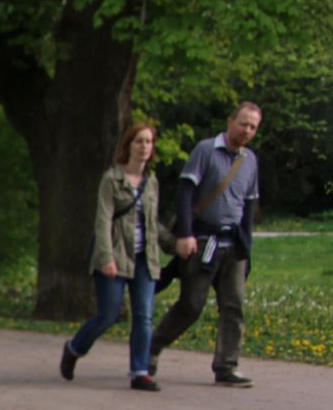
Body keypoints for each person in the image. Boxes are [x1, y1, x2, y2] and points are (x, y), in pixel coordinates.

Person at [149, 102, 261, 387]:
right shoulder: (206, 150)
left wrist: (246, 249)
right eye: (243, 124)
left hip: (231, 243)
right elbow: (185, 193)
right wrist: (185, 234)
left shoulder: (249, 161)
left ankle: (226, 366)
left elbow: (249, 206)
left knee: (234, 305)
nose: (247, 131)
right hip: (202, 240)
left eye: (253, 127)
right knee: (192, 304)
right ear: (230, 121)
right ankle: (150, 349)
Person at [61, 123, 161, 391]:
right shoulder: (112, 179)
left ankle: (140, 372)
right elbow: (102, 221)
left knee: (144, 316)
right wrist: (106, 257)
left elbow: (153, 224)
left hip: (144, 258)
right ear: (128, 146)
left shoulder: (152, 183)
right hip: (115, 256)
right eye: (139, 141)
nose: (144, 147)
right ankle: (74, 349)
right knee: (108, 315)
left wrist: (177, 244)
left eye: (148, 142)